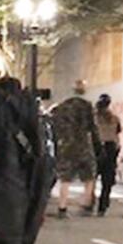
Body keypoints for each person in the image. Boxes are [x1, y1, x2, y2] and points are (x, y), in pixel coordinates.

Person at [50, 80, 99, 218]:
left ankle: (62, 207)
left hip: (66, 146)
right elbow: (92, 128)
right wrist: (98, 145)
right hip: (83, 144)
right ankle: (86, 204)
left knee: (65, 179)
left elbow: (55, 125)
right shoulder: (87, 106)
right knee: (89, 176)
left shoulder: (63, 106)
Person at [94, 94, 122, 216]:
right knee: (107, 179)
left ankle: (89, 202)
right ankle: (103, 205)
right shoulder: (114, 118)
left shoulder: (94, 118)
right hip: (111, 148)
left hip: (97, 147)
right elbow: (118, 131)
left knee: (92, 177)